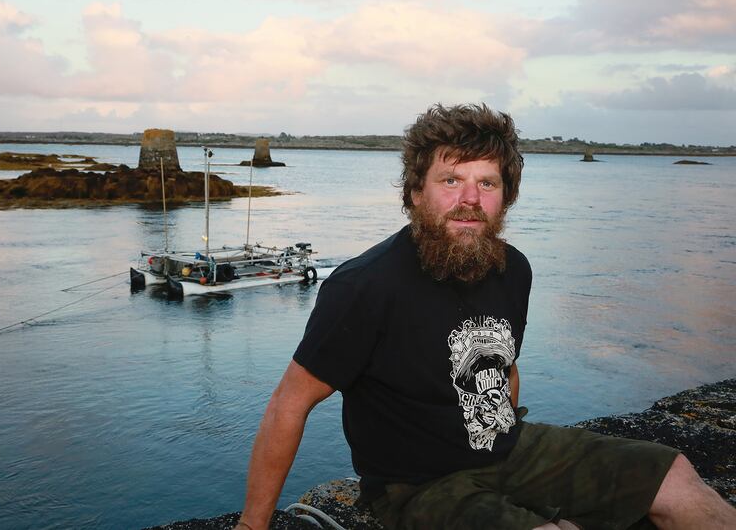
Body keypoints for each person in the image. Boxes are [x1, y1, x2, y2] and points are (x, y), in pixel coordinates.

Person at [236, 104, 736, 530]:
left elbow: (505, 367)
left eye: (487, 183)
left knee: (674, 473)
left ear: (505, 197)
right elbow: (288, 405)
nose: (470, 199)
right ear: (415, 193)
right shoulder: (363, 286)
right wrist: (251, 525)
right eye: (450, 180)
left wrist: (506, 434)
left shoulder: (513, 269)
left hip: (508, 450)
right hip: (416, 486)